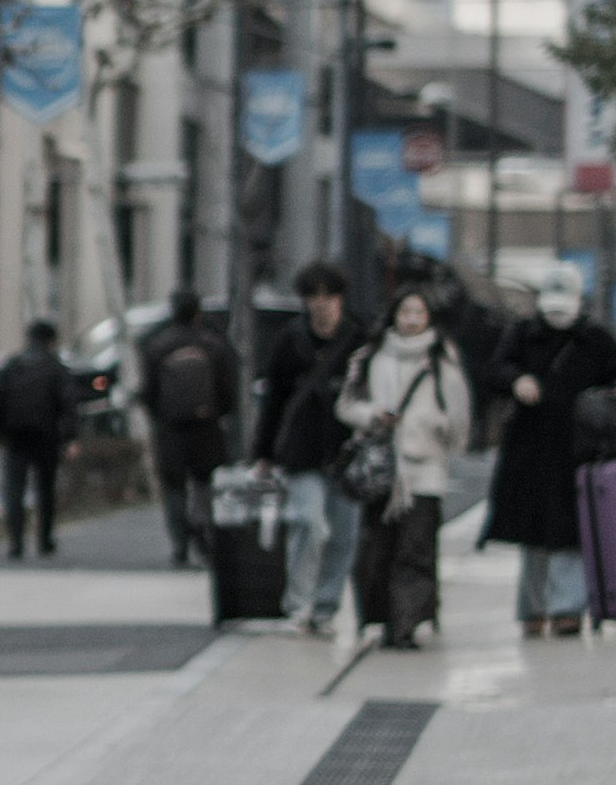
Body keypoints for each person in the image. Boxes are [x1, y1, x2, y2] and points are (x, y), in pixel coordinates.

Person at [484, 267, 616, 636]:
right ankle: (534, 610)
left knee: (570, 531)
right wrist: (516, 380)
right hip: (530, 449)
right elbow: (494, 370)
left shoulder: (597, 340)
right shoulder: (521, 334)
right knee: (533, 534)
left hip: (576, 448)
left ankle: (566, 608)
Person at [339, 284, 471, 650]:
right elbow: (347, 404)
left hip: (424, 468)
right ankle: (381, 616)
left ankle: (406, 623)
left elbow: (458, 414)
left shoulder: (441, 358)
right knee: (376, 550)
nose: (411, 320)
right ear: (393, 315)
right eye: (405, 312)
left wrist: (437, 428)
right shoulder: (372, 357)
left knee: (415, 548)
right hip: (381, 470)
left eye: (419, 313)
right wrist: (372, 416)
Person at [247, 262, 367, 636]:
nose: (321, 304)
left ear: (341, 298)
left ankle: (326, 607)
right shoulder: (289, 340)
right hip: (301, 451)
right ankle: (299, 603)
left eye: (329, 295)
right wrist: (263, 452)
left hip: (347, 453)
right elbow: (274, 401)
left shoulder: (358, 340)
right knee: (310, 523)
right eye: (313, 296)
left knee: (345, 535)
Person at [137, 289, 239, 567]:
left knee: (174, 487)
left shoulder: (157, 345)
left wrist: (161, 415)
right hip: (207, 427)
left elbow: (148, 392)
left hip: (170, 428)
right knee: (204, 485)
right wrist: (217, 412)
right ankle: (203, 537)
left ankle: (179, 544)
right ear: (198, 312)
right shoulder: (213, 345)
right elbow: (229, 390)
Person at [0, 317, 77, 560]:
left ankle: (16, 542)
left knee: (14, 491)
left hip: (14, 438)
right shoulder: (55, 367)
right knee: (45, 490)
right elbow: (69, 404)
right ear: (50, 341)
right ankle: (44, 540)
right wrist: (70, 437)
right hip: (46, 437)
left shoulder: (11, 366)